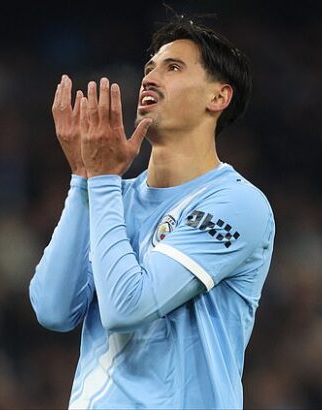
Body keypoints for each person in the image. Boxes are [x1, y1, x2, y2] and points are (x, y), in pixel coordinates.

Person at [29, 16, 275, 409]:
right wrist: (84, 179)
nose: (149, 78)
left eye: (173, 67)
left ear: (218, 97)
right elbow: (53, 310)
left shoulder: (236, 203)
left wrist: (103, 179)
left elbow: (127, 307)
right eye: (150, 67)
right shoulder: (112, 197)